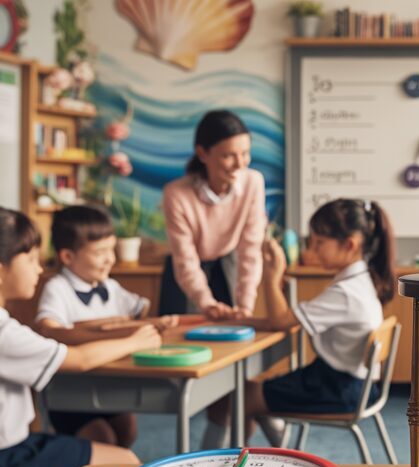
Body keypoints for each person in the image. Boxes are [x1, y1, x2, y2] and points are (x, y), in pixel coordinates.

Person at [0, 208, 160, 467]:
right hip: (10, 459)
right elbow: (79, 358)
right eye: (32, 259)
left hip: (19, 446)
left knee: (121, 441)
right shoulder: (3, 331)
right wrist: (136, 342)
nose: (39, 269)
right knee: (127, 464)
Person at [238, 199, 395, 444]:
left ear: (349, 245)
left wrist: (271, 276)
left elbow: (280, 321)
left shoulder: (346, 292)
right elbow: (281, 321)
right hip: (358, 385)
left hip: (338, 388)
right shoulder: (361, 280)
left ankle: (228, 465)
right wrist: (245, 320)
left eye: (319, 242)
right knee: (251, 392)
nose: (312, 249)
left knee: (242, 397)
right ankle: (278, 442)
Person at [160, 109, 267, 446]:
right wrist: (205, 303)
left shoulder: (253, 182)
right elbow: (186, 260)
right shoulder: (177, 193)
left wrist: (245, 304)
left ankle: (228, 431)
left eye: (245, 154)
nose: (239, 163)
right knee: (191, 356)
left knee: (239, 354)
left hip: (232, 261)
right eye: (229, 156)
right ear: (202, 153)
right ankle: (204, 436)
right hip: (189, 273)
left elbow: (251, 249)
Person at [35, 205, 177, 447]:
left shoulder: (108, 285)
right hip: (70, 392)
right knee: (102, 438)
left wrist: (154, 322)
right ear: (67, 257)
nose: (110, 258)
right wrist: (111, 329)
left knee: (128, 430)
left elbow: (138, 309)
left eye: (112, 249)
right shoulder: (57, 288)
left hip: (111, 385)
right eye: (100, 252)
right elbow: (48, 330)